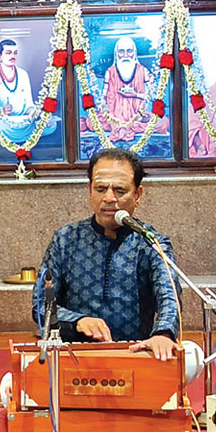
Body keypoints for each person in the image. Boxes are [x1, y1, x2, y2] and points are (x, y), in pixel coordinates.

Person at [32, 148, 181, 360]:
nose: (109, 198)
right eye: (101, 189)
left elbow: (170, 296)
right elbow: (41, 303)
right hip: (72, 356)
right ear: (90, 190)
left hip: (134, 356)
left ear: (138, 195)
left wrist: (163, 333)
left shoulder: (151, 242)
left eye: (120, 190)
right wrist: (78, 321)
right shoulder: (66, 239)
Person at [0, 39, 57, 151]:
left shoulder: (23, 74)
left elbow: (29, 104)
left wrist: (35, 113)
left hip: (24, 121)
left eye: (15, 53)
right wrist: (0, 112)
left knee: (51, 124)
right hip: (2, 122)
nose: (12, 56)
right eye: (8, 53)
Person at [84, 37, 169, 143]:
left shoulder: (143, 71)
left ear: (134, 52)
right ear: (116, 53)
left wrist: (135, 95)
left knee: (163, 122)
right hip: (114, 119)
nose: (125, 55)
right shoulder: (110, 72)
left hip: (137, 118)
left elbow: (153, 94)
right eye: (121, 51)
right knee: (91, 121)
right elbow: (104, 98)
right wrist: (103, 109)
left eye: (129, 51)